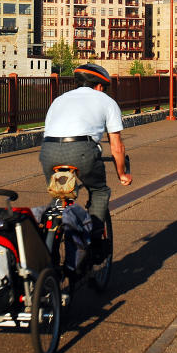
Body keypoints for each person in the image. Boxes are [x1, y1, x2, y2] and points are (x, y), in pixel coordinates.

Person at [40, 63, 132, 242]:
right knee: (99, 190)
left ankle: (50, 240)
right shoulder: (106, 101)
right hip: (82, 150)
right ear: (99, 86)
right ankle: (96, 240)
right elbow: (117, 147)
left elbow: (49, 131)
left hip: (49, 150)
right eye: (104, 88)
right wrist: (122, 173)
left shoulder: (59, 99)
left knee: (61, 195)